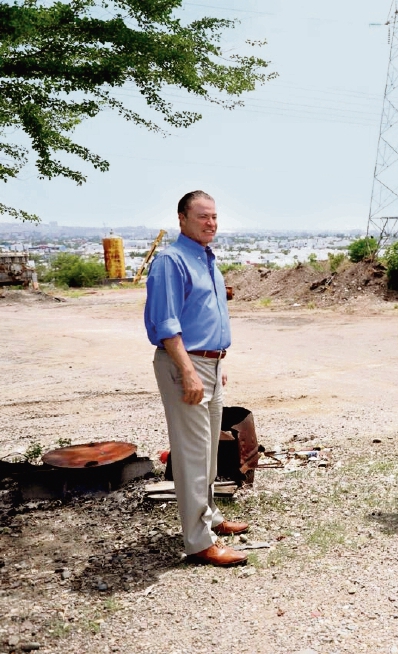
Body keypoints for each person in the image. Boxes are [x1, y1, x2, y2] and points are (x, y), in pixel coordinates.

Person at [144, 190, 249, 567]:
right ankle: (198, 542)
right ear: (182, 219)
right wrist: (190, 371)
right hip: (184, 365)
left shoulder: (206, 259)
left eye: (215, 217)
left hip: (209, 365)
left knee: (207, 454)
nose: (211, 223)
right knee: (191, 455)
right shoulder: (171, 261)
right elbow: (166, 324)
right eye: (203, 216)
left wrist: (216, 365)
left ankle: (210, 519)